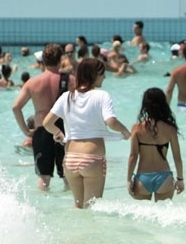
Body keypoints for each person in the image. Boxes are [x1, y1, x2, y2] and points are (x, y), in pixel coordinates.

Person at [42, 58, 131, 208]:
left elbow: (47, 123)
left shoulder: (67, 97)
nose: (105, 77)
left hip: (70, 159)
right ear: (94, 75)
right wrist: (126, 132)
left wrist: (59, 134)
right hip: (92, 158)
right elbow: (111, 121)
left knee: (78, 206)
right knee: (92, 208)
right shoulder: (102, 95)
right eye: (102, 74)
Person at [12, 43, 66, 190]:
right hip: (65, 131)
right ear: (60, 59)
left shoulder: (33, 82)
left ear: (43, 60)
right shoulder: (70, 80)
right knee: (68, 176)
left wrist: (26, 131)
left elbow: (16, 107)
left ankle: (44, 210)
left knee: (44, 178)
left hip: (42, 131)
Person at [127, 89, 185, 201]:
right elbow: (177, 157)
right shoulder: (170, 129)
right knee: (164, 216)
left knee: (142, 217)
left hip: (143, 178)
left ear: (145, 105)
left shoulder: (137, 128)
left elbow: (133, 156)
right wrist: (180, 179)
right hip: (164, 178)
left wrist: (129, 180)